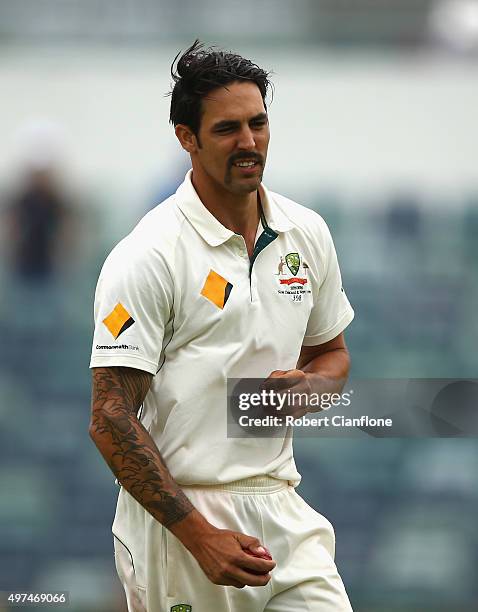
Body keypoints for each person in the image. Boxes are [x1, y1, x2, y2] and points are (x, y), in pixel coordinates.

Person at [89, 40, 354, 612]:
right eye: (227, 129)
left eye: (258, 124)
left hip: (282, 505)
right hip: (180, 523)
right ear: (187, 137)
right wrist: (199, 536)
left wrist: (313, 388)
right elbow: (109, 418)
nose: (249, 142)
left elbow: (333, 354)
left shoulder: (305, 233)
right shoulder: (148, 255)